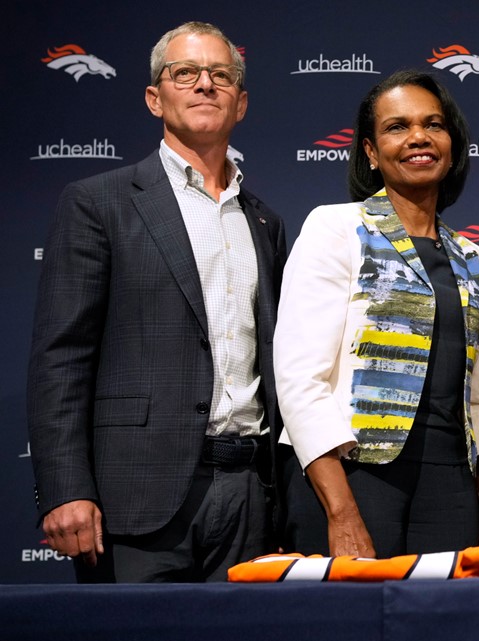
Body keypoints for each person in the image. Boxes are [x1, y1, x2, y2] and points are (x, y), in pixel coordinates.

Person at [26, 22, 286, 582]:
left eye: (221, 75)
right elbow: (61, 357)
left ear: (240, 103)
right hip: (135, 496)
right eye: (185, 73)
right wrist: (66, 488)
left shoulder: (264, 221)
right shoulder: (98, 203)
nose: (204, 85)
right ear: (154, 97)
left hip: (251, 496)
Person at [274, 70, 479, 559]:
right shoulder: (336, 228)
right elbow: (299, 381)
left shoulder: (473, 258)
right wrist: (341, 512)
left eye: (433, 124)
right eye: (397, 127)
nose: (418, 137)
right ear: (371, 153)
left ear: (452, 143)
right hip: (352, 477)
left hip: (450, 488)